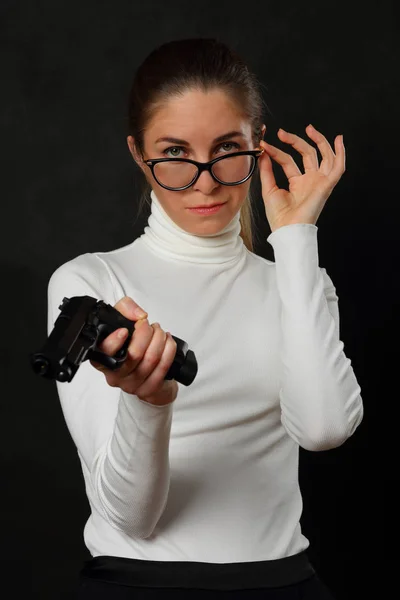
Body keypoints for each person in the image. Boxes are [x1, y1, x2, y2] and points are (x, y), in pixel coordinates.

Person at [47, 37, 363, 599]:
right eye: (173, 154)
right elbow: (131, 520)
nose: (206, 181)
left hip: (283, 581)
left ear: (258, 145)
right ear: (139, 155)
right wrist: (150, 402)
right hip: (140, 586)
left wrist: (295, 239)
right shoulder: (93, 283)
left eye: (227, 150)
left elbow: (324, 429)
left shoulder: (295, 280)